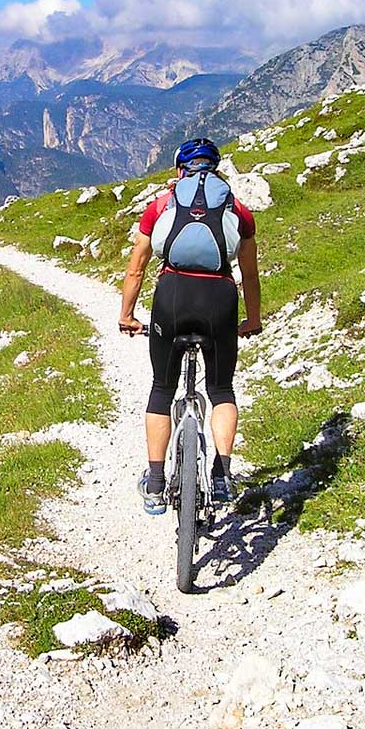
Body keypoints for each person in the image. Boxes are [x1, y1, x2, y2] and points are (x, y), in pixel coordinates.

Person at [118, 137, 262, 514]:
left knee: (162, 389)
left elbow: (136, 268)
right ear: (215, 170)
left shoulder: (161, 205)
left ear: (180, 170)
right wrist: (254, 319)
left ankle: (154, 482)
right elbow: (249, 274)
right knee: (221, 389)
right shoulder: (238, 210)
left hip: (172, 296)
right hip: (220, 299)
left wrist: (127, 315)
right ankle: (222, 474)